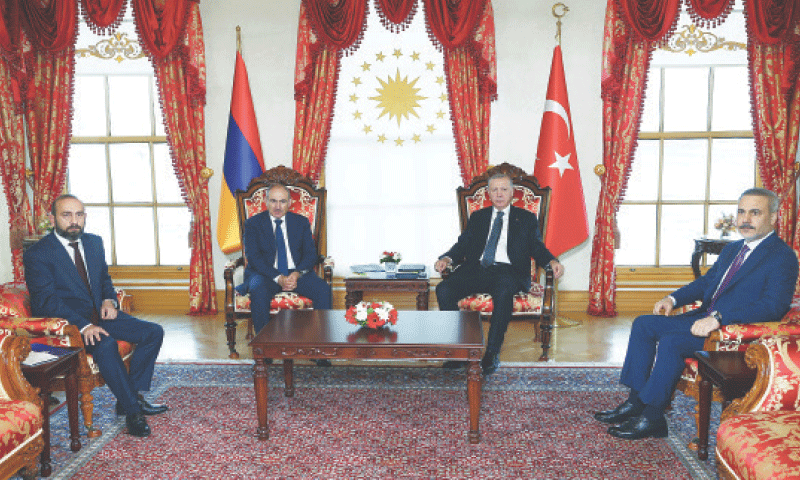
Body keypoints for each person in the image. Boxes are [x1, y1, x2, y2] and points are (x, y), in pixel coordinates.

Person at [594, 188, 799, 440]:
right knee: (643, 324)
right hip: (704, 320)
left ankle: (653, 417)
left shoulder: (782, 257)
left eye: (755, 213)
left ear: (773, 217)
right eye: (741, 212)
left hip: (732, 334)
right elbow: (707, 283)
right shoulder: (733, 249)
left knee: (672, 341)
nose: (745, 219)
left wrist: (719, 318)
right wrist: (673, 299)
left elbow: (772, 307)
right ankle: (635, 402)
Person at [24, 194, 168, 438]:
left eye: (79, 214)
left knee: (153, 332)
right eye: (66, 215)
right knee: (106, 344)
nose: (74, 221)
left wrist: (108, 299)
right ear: (52, 218)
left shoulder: (93, 242)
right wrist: (83, 325)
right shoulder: (38, 254)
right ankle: (133, 412)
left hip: (100, 316)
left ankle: (129, 398)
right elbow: (46, 302)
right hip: (68, 325)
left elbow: (103, 279)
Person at [434, 173, 565, 375]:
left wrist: (552, 261)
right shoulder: (478, 217)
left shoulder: (526, 218)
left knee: (503, 292)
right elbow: (462, 245)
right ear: (488, 193)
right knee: (444, 289)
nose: (499, 194)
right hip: (477, 269)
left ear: (512, 193)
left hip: (508, 271)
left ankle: (492, 353)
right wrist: (447, 258)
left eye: (504, 189)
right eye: (494, 190)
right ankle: (458, 350)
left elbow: (537, 247)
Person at [239, 183, 332, 366]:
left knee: (323, 290)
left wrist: (297, 273)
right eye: (273, 201)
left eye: (282, 201)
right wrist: (278, 277)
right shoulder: (253, 224)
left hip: (296, 272)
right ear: (266, 202)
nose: (278, 206)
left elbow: (310, 254)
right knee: (258, 290)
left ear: (289, 202)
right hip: (266, 273)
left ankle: (320, 350)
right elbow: (254, 258)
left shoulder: (301, 222)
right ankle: (265, 350)